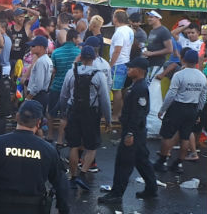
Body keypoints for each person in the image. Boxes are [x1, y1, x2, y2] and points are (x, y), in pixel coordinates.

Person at [98, 57, 158, 204]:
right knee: (142, 160)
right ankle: (151, 189)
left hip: (134, 131)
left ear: (139, 70)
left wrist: (130, 132)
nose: (128, 70)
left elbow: (138, 113)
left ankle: (116, 194)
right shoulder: (136, 86)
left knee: (123, 163)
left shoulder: (140, 88)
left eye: (131, 68)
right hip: (135, 130)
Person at [60, 46, 112, 190]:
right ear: (94, 58)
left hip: (74, 111)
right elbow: (105, 100)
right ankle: (83, 174)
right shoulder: (99, 75)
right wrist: (108, 119)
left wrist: (63, 111)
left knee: (74, 145)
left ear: (81, 57)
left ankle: (73, 176)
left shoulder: (71, 72)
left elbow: (63, 95)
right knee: (91, 146)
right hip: (91, 113)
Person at [154, 49, 207, 173]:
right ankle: (178, 164)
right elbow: (203, 97)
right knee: (185, 136)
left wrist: (163, 109)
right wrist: (198, 111)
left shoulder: (180, 75)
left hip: (178, 107)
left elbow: (171, 94)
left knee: (167, 134)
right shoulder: (202, 77)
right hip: (192, 108)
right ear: (196, 62)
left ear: (184, 60)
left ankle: (162, 161)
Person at [48, 29, 81, 146]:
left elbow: (54, 71)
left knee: (51, 112)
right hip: (71, 88)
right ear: (73, 39)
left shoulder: (56, 52)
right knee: (65, 115)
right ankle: (61, 139)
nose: (79, 40)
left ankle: (50, 135)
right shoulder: (79, 53)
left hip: (56, 86)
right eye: (78, 38)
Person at [109, 10, 134, 122]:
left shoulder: (120, 32)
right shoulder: (129, 30)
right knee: (120, 89)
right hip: (125, 62)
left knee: (116, 90)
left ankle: (115, 115)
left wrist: (111, 64)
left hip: (118, 63)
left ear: (116, 18)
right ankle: (119, 113)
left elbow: (117, 50)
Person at [25, 36, 53, 113]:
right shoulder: (47, 59)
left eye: (33, 46)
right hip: (42, 95)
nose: (31, 47)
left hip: (37, 97)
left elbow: (38, 85)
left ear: (41, 47)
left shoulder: (41, 62)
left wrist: (28, 98)